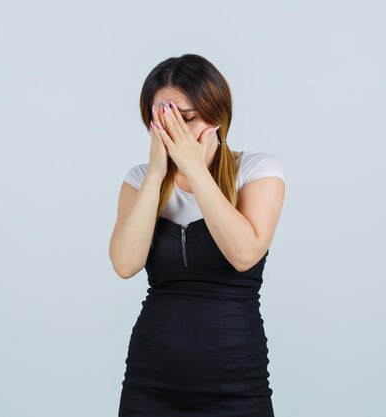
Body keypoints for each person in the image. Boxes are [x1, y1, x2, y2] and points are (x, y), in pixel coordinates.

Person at [109, 54, 285, 416]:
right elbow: (125, 264)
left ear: (216, 116)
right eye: (161, 119)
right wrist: (158, 174)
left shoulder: (257, 171)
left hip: (236, 386)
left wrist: (193, 166)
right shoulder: (139, 180)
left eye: (184, 118)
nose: (172, 130)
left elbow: (243, 254)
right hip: (150, 384)